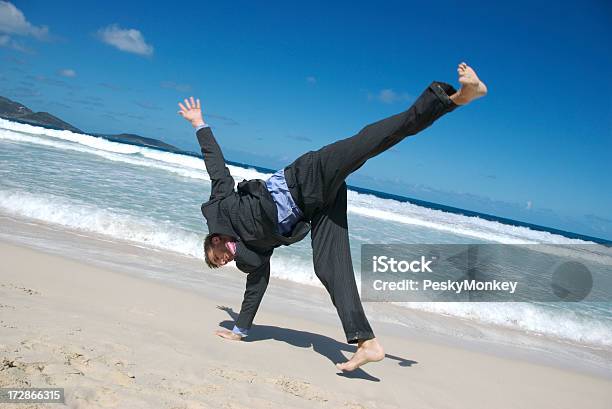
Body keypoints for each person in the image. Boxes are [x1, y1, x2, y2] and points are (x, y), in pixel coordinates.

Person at [178, 63, 487, 372]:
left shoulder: (220, 208)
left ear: (214, 240)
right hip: (317, 207)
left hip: (306, 175)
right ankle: (367, 343)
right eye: (221, 264)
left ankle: (456, 98)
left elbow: (217, 168)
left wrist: (199, 124)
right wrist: (240, 330)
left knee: (372, 140)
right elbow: (256, 288)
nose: (224, 261)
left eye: (217, 258)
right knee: (328, 266)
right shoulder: (252, 256)